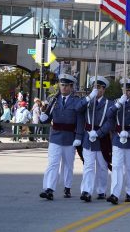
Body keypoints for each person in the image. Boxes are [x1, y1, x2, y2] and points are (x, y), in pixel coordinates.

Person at [39, 73, 84, 201]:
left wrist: (79, 137)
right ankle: (49, 189)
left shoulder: (76, 101)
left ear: (71, 87)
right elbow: (48, 117)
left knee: (68, 164)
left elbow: (80, 120)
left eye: (66, 86)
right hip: (55, 136)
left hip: (70, 137)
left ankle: (67, 187)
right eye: (61, 85)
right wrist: (44, 118)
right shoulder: (54, 100)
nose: (63, 88)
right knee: (53, 163)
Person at [77, 76, 113, 202]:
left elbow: (110, 122)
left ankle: (101, 190)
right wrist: (89, 97)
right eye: (94, 87)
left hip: (101, 138)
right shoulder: (87, 100)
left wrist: (99, 133)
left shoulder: (109, 103)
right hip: (88, 137)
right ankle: (86, 191)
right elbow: (78, 109)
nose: (96, 90)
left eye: (98, 87)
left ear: (104, 89)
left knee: (102, 166)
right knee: (88, 166)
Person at [106, 78, 130, 205]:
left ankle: (129, 192)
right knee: (116, 167)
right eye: (125, 89)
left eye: (129, 89)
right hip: (117, 139)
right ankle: (114, 194)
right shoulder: (116, 102)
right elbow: (109, 116)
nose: (127, 92)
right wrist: (118, 104)